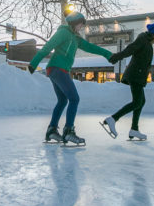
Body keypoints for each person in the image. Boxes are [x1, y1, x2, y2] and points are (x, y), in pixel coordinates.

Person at [28, 12, 112, 146]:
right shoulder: (63, 33)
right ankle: (68, 131)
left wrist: (108, 55)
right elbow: (48, 47)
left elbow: (90, 47)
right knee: (74, 99)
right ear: (74, 23)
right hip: (57, 68)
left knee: (62, 100)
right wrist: (34, 63)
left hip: (60, 70)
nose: (81, 27)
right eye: (80, 24)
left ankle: (52, 130)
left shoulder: (76, 38)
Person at [101, 22, 154, 141]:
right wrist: (116, 57)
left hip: (139, 76)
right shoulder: (143, 39)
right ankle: (113, 119)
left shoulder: (148, 42)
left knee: (141, 101)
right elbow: (130, 49)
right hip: (135, 75)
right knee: (137, 102)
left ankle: (134, 129)